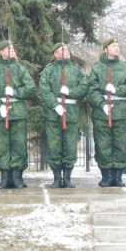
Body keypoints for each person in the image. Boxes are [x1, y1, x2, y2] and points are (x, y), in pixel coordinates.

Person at [0, 40, 36, 189]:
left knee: (19, 144)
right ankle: (5, 176)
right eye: (8, 48)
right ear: (1, 52)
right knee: (2, 145)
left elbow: (30, 88)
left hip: (17, 111)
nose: (12, 50)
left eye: (12, 47)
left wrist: (15, 92)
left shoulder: (20, 69)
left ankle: (17, 176)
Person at [38, 42, 88, 188]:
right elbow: (44, 90)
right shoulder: (49, 70)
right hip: (53, 114)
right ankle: (56, 177)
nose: (66, 51)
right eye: (62, 50)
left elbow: (84, 87)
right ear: (55, 54)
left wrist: (70, 92)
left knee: (70, 145)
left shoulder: (76, 70)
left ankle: (67, 177)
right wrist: (55, 105)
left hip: (71, 112)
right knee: (54, 146)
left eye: (66, 49)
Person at [86, 38, 126, 187]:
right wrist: (102, 104)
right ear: (105, 49)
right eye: (113, 46)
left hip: (120, 111)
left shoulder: (125, 68)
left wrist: (116, 90)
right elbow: (91, 91)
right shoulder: (97, 68)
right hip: (102, 113)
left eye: (118, 46)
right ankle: (106, 176)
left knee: (120, 144)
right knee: (103, 144)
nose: (116, 48)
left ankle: (118, 176)